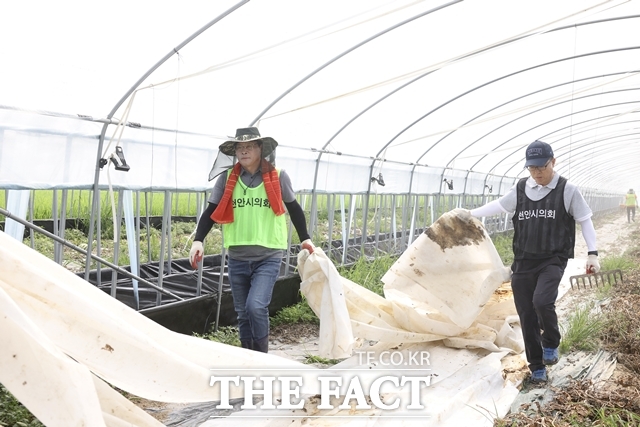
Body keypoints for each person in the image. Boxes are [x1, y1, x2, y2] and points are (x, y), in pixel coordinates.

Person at [456, 140, 600, 384]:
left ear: (553, 162)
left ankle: (551, 341)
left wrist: (593, 253)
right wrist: (471, 214)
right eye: (532, 169)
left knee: (542, 302)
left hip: (553, 259)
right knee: (526, 315)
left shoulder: (567, 190)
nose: (537, 173)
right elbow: (500, 206)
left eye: (542, 168)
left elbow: (585, 220)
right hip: (523, 260)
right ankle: (537, 368)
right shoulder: (522, 188)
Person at [189, 127, 315, 353]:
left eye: (249, 146)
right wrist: (198, 240)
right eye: (239, 147)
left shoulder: (277, 176)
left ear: (260, 149)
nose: (243, 151)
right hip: (237, 256)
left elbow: (294, 209)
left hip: (268, 255)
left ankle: (262, 357)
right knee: (243, 312)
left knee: (256, 306)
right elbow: (212, 210)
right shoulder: (228, 178)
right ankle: (249, 357)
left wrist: (305, 238)